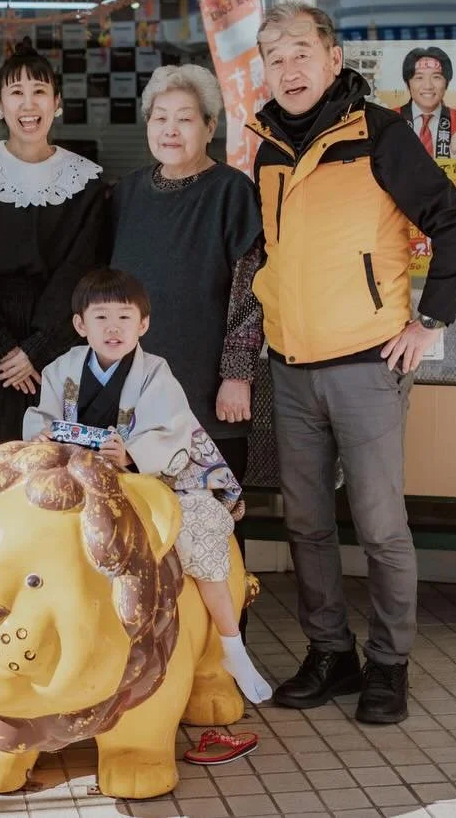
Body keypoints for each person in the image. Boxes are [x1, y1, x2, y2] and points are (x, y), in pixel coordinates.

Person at [248, 2, 456, 724]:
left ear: (333, 57)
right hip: (289, 365)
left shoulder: (379, 134)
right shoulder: (265, 148)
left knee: (379, 525)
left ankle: (389, 662)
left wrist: (429, 321)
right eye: (274, 57)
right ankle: (330, 652)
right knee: (308, 521)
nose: (288, 69)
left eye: (300, 54)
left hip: (367, 365)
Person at [22, 268, 272, 704]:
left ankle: (232, 645)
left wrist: (131, 454)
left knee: (201, 533)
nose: (113, 328)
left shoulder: (156, 371)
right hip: (79, 478)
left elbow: (171, 430)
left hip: (155, 479)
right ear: (81, 325)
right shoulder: (61, 369)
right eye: (101, 318)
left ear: (144, 324)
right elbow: (40, 420)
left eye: (125, 317)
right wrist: (43, 437)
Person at [0, 40, 107, 460]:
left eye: (39, 91)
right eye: (16, 92)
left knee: (56, 465)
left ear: (57, 102)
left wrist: (36, 350)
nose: (28, 103)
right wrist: (3, 349)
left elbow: (83, 269)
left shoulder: (87, 180)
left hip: (59, 345)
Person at [110, 65, 262, 485]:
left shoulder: (232, 192)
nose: (170, 130)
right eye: (160, 118)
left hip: (209, 391)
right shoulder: (126, 193)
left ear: (210, 126)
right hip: (135, 393)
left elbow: (251, 293)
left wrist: (237, 375)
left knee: (212, 525)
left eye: (185, 118)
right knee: (141, 525)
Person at [394, 46, 456, 160]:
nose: (428, 86)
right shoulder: (386, 121)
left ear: (446, 83)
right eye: (419, 77)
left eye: (436, 77)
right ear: (408, 83)